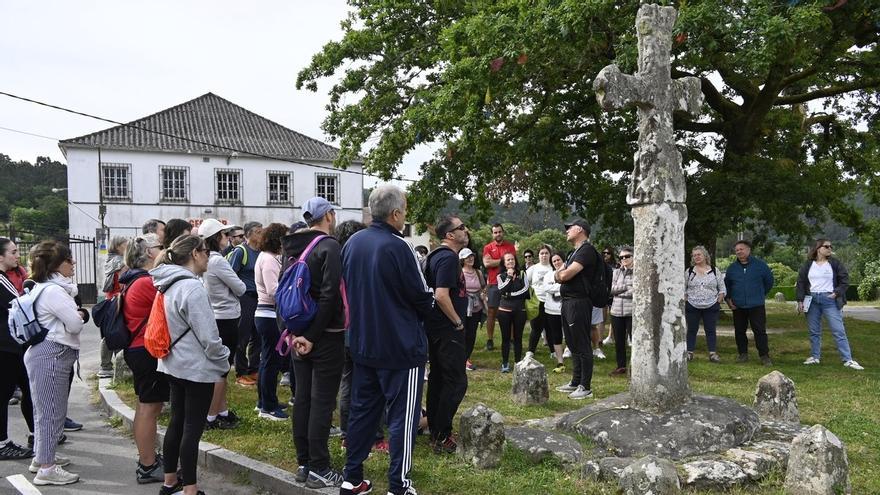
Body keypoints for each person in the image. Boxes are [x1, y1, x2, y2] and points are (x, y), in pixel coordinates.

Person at [340, 184, 434, 495]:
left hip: (363, 343)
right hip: (400, 346)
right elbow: (421, 296)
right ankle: (399, 485)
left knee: (362, 414)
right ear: (395, 214)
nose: (405, 216)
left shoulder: (353, 242)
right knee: (402, 419)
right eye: (404, 210)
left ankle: (351, 478)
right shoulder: (399, 245)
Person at [151, 235, 230, 495]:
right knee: (191, 429)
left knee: (177, 422)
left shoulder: (167, 282)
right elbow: (209, 337)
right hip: (196, 367)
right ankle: (191, 490)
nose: (209, 255)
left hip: (173, 363)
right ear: (195, 253)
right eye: (206, 251)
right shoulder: (193, 288)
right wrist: (224, 359)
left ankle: (170, 482)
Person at [284, 197, 347, 488]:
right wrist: (313, 336)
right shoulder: (329, 246)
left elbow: (284, 293)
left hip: (297, 334)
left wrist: (296, 334)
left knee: (304, 400)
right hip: (325, 336)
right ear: (329, 216)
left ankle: (304, 463)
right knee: (322, 401)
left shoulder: (292, 246)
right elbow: (330, 294)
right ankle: (320, 467)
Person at [24, 241, 88, 485]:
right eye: (68, 260)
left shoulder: (48, 288)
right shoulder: (53, 291)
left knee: (46, 412)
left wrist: (75, 315)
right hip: (52, 354)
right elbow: (74, 324)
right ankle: (47, 470)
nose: (73, 263)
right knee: (50, 413)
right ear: (55, 265)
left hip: (48, 354)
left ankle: (41, 459)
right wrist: (80, 315)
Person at [336, 220, 388, 453]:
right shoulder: (364, 260)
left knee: (347, 382)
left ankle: (347, 434)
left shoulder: (337, 260)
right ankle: (375, 436)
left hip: (341, 330)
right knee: (372, 384)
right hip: (364, 330)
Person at [119, 234, 166, 483]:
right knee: (149, 407)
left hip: (138, 350)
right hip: (146, 351)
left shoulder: (132, 279)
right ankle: (147, 465)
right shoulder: (147, 282)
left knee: (147, 405)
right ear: (149, 253)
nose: (164, 250)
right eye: (160, 247)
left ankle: (147, 459)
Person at [424, 215, 470, 454]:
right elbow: (441, 295)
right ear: (450, 235)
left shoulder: (437, 256)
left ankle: (435, 431)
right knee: (456, 382)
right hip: (446, 329)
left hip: (437, 329)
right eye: (461, 227)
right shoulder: (447, 258)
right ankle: (442, 434)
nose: (466, 230)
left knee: (439, 380)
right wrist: (458, 322)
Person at [200, 218, 246, 429]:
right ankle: (211, 416)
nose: (227, 238)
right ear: (217, 237)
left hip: (216, 314)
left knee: (221, 367)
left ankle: (222, 411)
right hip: (226, 316)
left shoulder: (205, 258)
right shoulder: (218, 260)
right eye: (225, 235)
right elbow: (240, 288)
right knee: (221, 369)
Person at [796, 239, 864, 370]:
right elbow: (801, 283)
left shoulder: (835, 264)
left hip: (830, 300)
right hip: (812, 300)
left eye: (831, 246)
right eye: (826, 246)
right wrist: (800, 300)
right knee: (814, 331)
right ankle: (815, 357)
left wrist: (836, 293)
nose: (829, 248)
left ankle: (848, 360)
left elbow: (845, 281)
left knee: (838, 330)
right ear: (818, 248)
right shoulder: (808, 265)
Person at [553, 218, 598, 400]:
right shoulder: (574, 252)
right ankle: (575, 381)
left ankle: (585, 386)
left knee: (581, 343)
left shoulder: (586, 251)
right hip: (568, 302)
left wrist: (560, 275)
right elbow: (559, 274)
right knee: (572, 343)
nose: (566, 231)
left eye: (569, 228)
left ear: (579, 229)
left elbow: (565, 274)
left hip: (579, 302)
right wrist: (559, 275)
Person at [0, 237, 34, 461]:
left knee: (28, 389)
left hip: (12, 345)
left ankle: (37, 435)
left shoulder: (7, 277)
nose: (17, 255)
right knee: (3, 394)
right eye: (12, 252)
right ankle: (2, 444)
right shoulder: (1, 280)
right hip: (5, 346)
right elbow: (19, 303)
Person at [252, 223, 290, 420]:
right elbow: (273, 290)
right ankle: (268, 406)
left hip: (267, 314)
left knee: (268, 361)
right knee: (270, 362)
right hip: (268, 315)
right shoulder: (268, 260)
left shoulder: (269, 258)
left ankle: (265, 401)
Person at [724, 240, 774, 366]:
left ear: (748, 250)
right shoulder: (732, 268)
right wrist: (729, 299)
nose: (739, 251)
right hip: (738, 305)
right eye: (737, 250)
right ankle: (742, 354)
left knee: (760, 331)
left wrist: (759, 294)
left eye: (742, 249)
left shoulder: (761, 266)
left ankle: (764, 356)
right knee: (739, 331)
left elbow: (769, 282)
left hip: (756, 305)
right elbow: (727, 285)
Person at [228, 221, 263, 386]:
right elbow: (230, 274)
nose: (260, 234)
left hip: (259, 297)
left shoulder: (261, 252)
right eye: (257, 232)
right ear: (248, 234)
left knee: (257, 334)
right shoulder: (241, 251)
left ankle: (254, 368)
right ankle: (241, 372)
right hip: (245, 297)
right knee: (243, 334)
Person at [685, 246, 725, 363]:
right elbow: (683, 287)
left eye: (699, 254)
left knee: (711, 329)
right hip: (693, 304)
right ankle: (689, 353)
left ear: (705, 256)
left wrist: (719, 299)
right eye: (694, 255)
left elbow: (722, 288)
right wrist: (685, 297)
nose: (696, 257)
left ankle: (712, 353)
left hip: (711, 305)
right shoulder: (689, 271)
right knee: (692, 329)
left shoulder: (714, 270)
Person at [98, 235, 129, 379]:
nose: (128, 247)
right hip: (116, 300)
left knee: (109, 333)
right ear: (118, 247)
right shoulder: (120, 262)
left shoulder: (110, 260)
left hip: (110, 299)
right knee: (113, 333)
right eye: (125, 245)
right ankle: (106, 366)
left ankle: (106, 366)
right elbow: (123, 282)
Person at [482, 224, 516, 352]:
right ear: (492, 234)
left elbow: (512, 262)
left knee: (510, 311)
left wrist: (495, 261)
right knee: (491, 312)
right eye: (495, 232)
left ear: (503, 232)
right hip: (493, 283)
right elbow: (486, 263)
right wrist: (504, 260)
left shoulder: (510, 246)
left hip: (509, 281)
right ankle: (490, 340)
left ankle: (511, 340)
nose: (498, 234)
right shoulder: (488, 247)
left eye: (499, 232)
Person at [497, 252, 530, 372]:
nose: (510, 261)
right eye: (508, 260)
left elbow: (525, 290)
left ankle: (517, 362)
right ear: (504, 263)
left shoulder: (522, 273)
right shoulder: (500, 276)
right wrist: (509, 278)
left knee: (518, 338)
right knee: (505, 338)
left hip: (519, 310)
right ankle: (505, 363)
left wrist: (510, 295)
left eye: (512, 259)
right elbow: (501, 290)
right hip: (504, 311)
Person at [459, 248, 487, 371]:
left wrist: (482, 294)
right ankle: (461, 359)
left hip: (477, 307)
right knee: (462, 333)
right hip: (464, 306)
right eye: (467, 257)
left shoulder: (478, 272)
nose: (470, 259)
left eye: (471, 256)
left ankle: (466, 358)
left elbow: (482, 287)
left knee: (472, 333)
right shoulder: (459, 272)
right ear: (462, 260)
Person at [609, 246, 634, 375]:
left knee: (634, 340)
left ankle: (635, 366)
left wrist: (619, 292)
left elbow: (636, 291)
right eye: (621, 257)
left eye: (627, 256)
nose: (624, 259)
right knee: (619, 341)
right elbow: (611, 289)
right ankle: (621, 366)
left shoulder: (639, 272)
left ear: (633, 257)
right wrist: (626, 287)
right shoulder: (616, 272)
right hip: (616, 311)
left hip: (631, 312)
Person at [526, 245, 553, 358]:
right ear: (538, 255)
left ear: (550, 255)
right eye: (542, 253)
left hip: (551, 302)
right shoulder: (533, 268)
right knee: (536, 328)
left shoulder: (553, 267)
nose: (544, 255)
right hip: (537, 302)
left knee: (551, 327)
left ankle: (554, 351)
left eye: (546, 253)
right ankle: (530, 351)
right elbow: (526, 284)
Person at [542, 253, 566, 373]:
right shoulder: (548, 275)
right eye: (554, 261)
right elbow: (546, 288)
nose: (557, 263)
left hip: (566, 309)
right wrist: (560, 287)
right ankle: (560, 361)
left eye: (558, 260)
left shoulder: (568, 273)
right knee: (555, 336)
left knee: (570, 334)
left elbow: (569, 287)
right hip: (551, 310)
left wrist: (555, 286)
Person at [600, 246, 617, 346]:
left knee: (613, 316)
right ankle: (600, 339)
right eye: (604, 253)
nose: (606, 255)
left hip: (613, 293)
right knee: (602, 318)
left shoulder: (616, 266)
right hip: (602, 293)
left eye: (608, 253)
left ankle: (610, 337)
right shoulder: (599, 265)